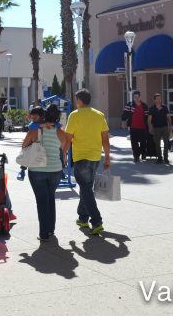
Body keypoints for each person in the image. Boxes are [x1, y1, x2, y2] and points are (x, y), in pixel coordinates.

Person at [64, 89, 110, 236]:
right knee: (87, 187)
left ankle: (97, 221)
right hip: (95, 157)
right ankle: (82, 218)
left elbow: (68, 138)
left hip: (81, 158)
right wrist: (107, 157)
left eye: (76, 100)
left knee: (85, 189)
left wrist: (63, 154)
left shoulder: (74, 115)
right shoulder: (99, 115)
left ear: (80, 101)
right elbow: (105, 139)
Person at [22, 104, 67, 241]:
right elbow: (64, 147)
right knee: (50, 197)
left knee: (41, 200)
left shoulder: (35, 131)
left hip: (37, 169)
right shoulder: (60, 131)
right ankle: (50, 229)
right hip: (55, 170)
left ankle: (43, 233)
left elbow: (24, 146)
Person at [122, 91, 149, 163]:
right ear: (133, 98)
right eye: (135, 97)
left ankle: (143, 153)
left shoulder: (144, 106)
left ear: (140, 97)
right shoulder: (130, 105)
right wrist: (123, 122)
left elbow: (147, 117)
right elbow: (124, 114)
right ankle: (136, 157)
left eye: (137, 97)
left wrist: (149, 126)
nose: (136, 98)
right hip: (133, 127)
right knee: (134, 143)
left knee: (143, 143)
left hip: (142, 127)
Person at [147, 93, 172, 165]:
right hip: (156, 129)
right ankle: (159, 158)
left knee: (166, 143)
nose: (159, 100)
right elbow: (149, 119)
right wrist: (150, 128)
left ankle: (166, 158)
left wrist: (170, 128)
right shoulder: (152, 109)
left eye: (160, 98)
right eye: (157, 99)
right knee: (157, 145)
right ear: (154, 100)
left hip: (164, 128)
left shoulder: (165, 108)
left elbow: (169, 118)